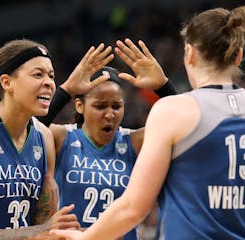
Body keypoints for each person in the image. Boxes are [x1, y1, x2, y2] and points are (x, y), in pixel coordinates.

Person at [49, 5, 245, 240]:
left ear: (190, 53)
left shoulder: (171, 111)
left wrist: (85, 238)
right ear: (239, 56)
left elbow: (134, 207)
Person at [0, 38, 114, 239]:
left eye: (51, 76)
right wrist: (42, 231)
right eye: (38, 74)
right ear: (7, 82)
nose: (49, 82)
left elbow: (46, 229)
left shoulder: (44, 138)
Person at [38, 38, 176, 240]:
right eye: (100, 106)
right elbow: (28, 130)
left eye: (116, 106)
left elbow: (183, 127)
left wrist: (163, 86)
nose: (110, 114)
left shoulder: (134, 142)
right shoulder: (62, 137)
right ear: (79, 106)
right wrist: (66, 89)